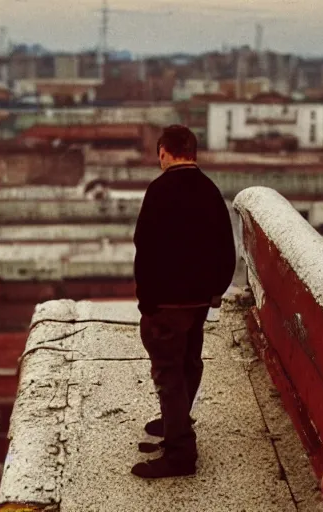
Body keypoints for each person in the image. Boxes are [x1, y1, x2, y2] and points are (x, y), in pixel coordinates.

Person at [131, 125, 236, 479]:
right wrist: (214, 291)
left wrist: (146, 301)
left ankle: (179, 454)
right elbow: (226, 249)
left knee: (168, 372)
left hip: (166, 303)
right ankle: (176, 422)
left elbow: (143, 248)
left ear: (164, 151)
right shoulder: (210, 190)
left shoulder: (159, 191)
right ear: (193, 151)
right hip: (198, 302)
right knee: (190, 362)